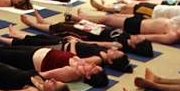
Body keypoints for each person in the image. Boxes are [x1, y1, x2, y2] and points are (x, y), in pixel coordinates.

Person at [0, 36, 109, 87]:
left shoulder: (72, 73)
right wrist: (73, 42)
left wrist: (22, 75)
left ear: (88, 76)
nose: (94, 65)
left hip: (32, 61)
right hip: (39, 52)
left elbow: (44, 74)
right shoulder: (82, 64)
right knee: (3, 51)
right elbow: (71, 53)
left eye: (95, 69)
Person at [0, 25, 133, 74]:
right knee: (35, 39)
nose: (114, 50)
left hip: (63, 48)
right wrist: (79, 40)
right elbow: (96, 44)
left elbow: (73, 57)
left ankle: (0, 40)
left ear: (112, 60)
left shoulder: (98, 59)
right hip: (64, 43)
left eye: (116, 53)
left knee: (30, 46)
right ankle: (13, 35)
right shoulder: (103, 51)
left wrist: (74, 43)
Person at [18, 10, 154, 58]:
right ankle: (43, 21)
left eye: (139, 39)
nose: (137, 36)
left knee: (61, 30)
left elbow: (99, 43)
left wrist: (79, 42)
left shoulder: (119, 45)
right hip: (95, 29)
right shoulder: (127, 36)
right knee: (64, 25)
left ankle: (34, 24)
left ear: (136, 46)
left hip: (88, 35)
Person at [71, 9, 180, 47]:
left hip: (136, 27)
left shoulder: (172, 37)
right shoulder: (179, 28)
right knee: (112, 17)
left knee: (107, 20)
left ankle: (80, 19)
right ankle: (84, 18)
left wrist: (134, 37)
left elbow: (151, 37)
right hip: (142, 21)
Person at [89, 0, 180, 31]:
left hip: (153, 14)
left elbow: (167, 22)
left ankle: (105, 8)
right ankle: (109, 7)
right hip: (156, 8)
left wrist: (150, 19)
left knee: (129, 9)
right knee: (130, 7)